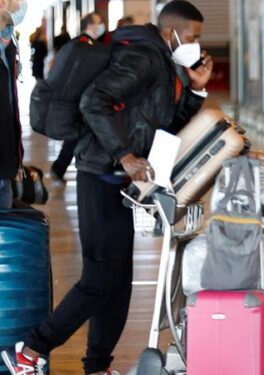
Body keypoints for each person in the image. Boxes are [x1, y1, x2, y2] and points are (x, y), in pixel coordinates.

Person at [1, 1, 213, 374]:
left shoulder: (162, 63)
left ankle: (97, 365)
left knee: (118, 284)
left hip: (118, 182)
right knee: (100, 279)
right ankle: (29, 351)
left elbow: (164, 126)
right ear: (171, 32)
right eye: (192, 37)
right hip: (100, 174)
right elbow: (93, 101)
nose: (196, 44)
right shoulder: (144, 59)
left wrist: (195, 92)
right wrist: (125, 155)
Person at [49, 12, 108, 182]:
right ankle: (61, 168)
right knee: (76, 137)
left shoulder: (76, 44)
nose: (101, 25)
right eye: (98, 22)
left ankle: (59, 168)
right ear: (89, 25)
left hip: (76, 101)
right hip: (80, 101)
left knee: (75, 137)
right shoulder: (86, 45)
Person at [0, 0, 26, 210]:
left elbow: (10, 109)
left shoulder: (8, 46)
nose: (22, 5)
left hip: (5, 168)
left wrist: (15, 159)